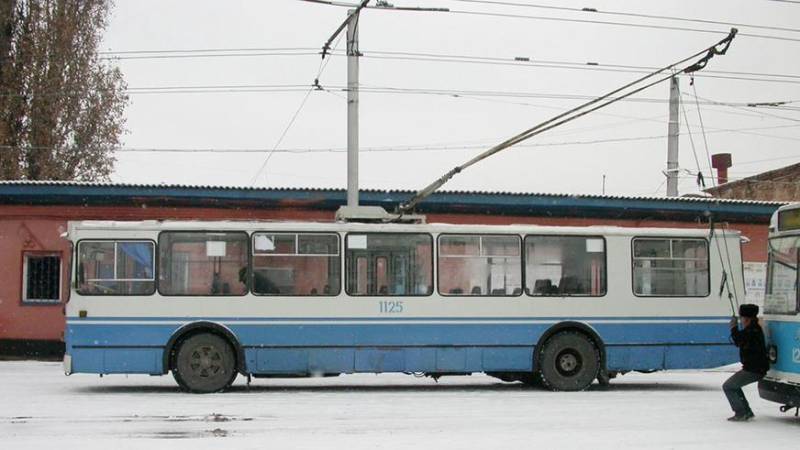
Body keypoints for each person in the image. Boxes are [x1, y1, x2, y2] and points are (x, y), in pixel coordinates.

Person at [722, 303, 769, 422]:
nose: (741, 320)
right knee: (734, 386)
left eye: (742, 318)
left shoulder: (752, 330)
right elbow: (741, 339)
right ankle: (745, 411)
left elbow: (738, 340)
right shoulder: (753, 328)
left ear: (747, 318)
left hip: (754, 369)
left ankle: (742, 412)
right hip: (754, 368)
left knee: (728, 386)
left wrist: (733, 327)